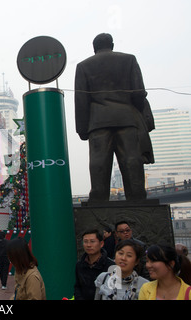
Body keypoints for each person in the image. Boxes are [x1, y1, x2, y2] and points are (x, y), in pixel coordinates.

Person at [74, 33, 154, 202]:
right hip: (126, 118)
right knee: (132, 160)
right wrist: (137, 112)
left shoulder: (83, 66)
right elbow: (139, 93)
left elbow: (81, 101)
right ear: (112, 44)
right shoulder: (129, 60)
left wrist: (82, 129)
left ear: (94, 47)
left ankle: (98, 199)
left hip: (98, 121)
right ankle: (138, 197)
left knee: (99, 162)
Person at [74, 229, 114, 300]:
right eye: (85, 242)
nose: (88, 245)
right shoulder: (79, 265)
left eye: (92, 241)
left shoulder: (111, 266)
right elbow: (77, 287)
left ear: (101, 244)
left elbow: (114, 292)